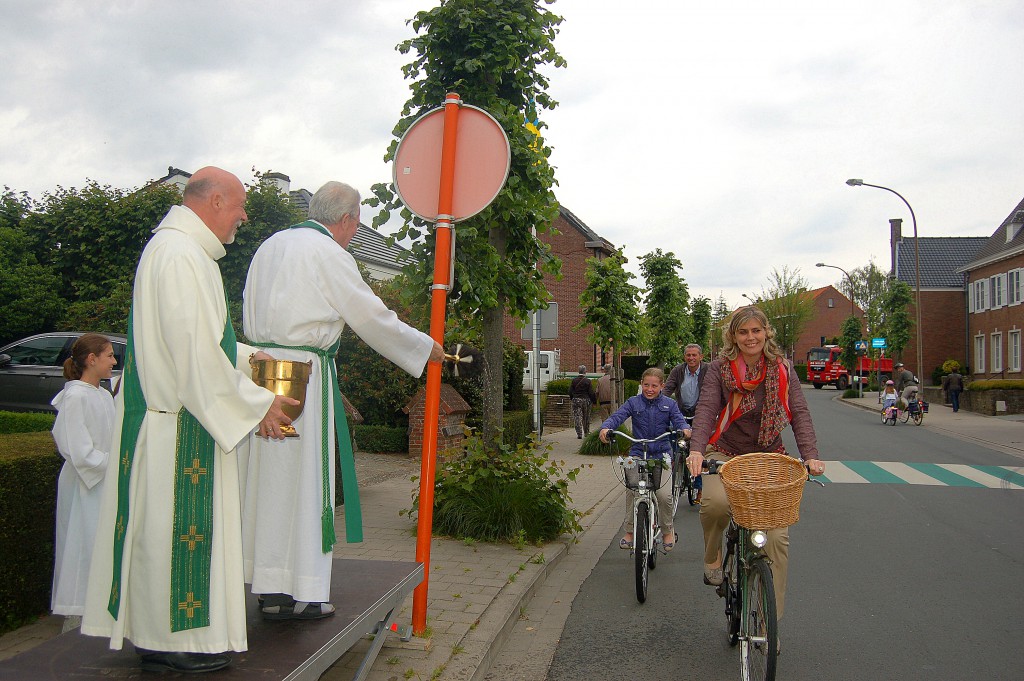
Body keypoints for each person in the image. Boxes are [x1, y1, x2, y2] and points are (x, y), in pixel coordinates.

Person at [81, 167, 297, 674]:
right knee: (174, 539)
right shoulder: (180, 255)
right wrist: (257, 402)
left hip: (174, 421)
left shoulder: (179, 251)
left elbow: (200, 343)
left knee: (162, 538)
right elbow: (192, 356)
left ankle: (168, 636)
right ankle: (172, 640)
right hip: (178, 428)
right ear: (215, 200)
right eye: (241, 205)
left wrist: (249, 357)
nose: (244, 216)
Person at [241, 180, 443, 621]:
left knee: (269, 482)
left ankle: (269, 586)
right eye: (356, 223)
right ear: (348, 218)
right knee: (308, 483)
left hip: (258, 372)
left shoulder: (269, 246)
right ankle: (307, 592)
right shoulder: (329, 253)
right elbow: (370, 315)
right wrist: (424, 347)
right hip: (303, 379)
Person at [686, 306, 825, 631]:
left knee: (776, 539)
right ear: (733, 336)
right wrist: (696, 450)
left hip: (768, 456)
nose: (751, 337)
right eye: (743, 331)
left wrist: (811, 456)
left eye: (756, 331)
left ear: (766, 334)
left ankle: (768, 622)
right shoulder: (720, 370)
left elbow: (799, 413)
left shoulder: (782, 369)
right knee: (716, 504)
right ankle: (713, 557)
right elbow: (706, 409)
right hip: (726, 450)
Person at [50, 333, 117, 633]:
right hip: (84, 483)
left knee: (100, 546)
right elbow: (76, 448)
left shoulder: (103, 394)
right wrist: (108, 464)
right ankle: (76, 614)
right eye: (110, 355)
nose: (115, 361)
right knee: (80, 544)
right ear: (92, 359)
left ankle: (101, 610)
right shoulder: (75, 396)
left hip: (104, 481)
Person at [599, 367, 686, 552]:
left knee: (664, 495)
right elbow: (617, 417)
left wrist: (685, 429)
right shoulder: (633, 403)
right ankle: (630, 532)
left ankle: (667, 531)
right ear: (641, 384)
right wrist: (606, 428)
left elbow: (679, 421)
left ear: (662, 386)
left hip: (661, 455)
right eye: (646, 385)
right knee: (632, 490)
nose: (650, 389)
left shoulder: (669, 404)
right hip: (638, 452)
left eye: (654, 385)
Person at [663, 344, 706, 500]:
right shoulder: (678, 371)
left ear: (701, 356)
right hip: (681, 414)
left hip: (701, 414)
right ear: (684, 357)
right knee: (672, 439)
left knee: (698, 450)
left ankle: (700, 487)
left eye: (694, 355)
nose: (691, 358)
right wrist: (660, 405)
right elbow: (667, 390)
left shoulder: (707, 371)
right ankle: (676, 465)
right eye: (688, 355)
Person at [569, 365, 596, 439]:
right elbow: (591, 392)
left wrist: (572, 398)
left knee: (577, 417)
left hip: (576, 400)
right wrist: (594, 401)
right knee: (586, 417)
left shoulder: (574, 380)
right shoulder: (588, 381)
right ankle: (586, 432)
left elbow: (570, 391)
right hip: (586, 400)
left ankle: (579, 434)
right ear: (585, 372)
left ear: (578, 371)